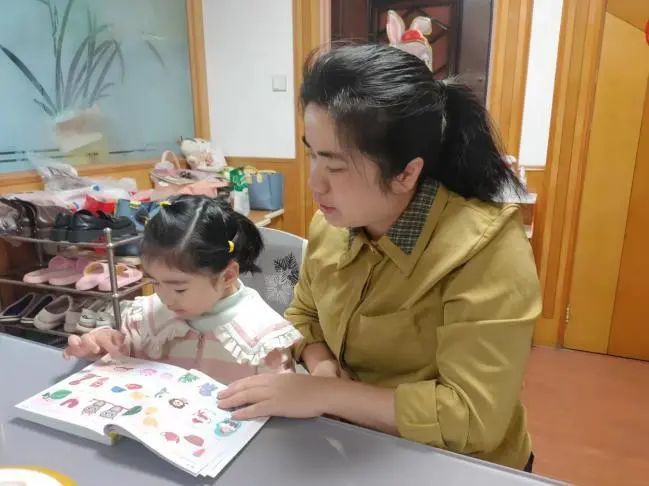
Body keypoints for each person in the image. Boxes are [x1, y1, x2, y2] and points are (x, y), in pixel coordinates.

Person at [216, 44, 541, 471]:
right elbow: (304, 314)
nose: (314, 184)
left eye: (335, 166)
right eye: (312, 154)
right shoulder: (331, 226)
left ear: (406, 173)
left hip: (455, 465)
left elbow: (472, 418)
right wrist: (321, 366)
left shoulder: (485, 250)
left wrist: (327, 395)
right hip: (355, 447)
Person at [64, 195, 302, 384]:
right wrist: (102, 343)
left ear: (228, 275)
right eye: (155, 282)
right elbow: (123, 353)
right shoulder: (148, 317)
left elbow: (278, 408)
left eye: (179, 289)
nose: (165, 299)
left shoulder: (263, 339)